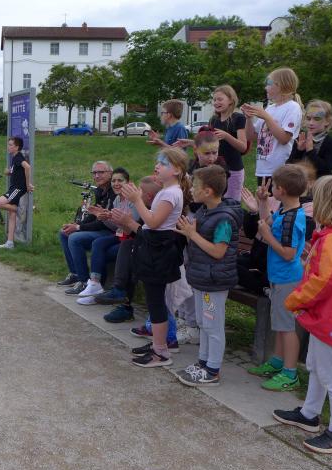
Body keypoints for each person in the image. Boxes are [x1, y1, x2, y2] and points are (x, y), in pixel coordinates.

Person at [273, 176, 332, 454]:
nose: (311, 205)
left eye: (316, 200)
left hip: (331, 316)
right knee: (317, 365)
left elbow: (324, 280)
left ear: (330, 204)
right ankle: (309, 413)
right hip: (327, 315)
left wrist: (296, 299)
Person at [172, 165, 242, 386]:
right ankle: (202, 363)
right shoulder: (205, 211)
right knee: (203, 323)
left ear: (208, 191)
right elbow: (200, 244)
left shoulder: (224, 219)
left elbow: (218, 252)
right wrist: (188, 233)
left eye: (195, 186)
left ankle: (213, 370)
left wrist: (192, 235)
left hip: (215, 281)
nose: (192, 189)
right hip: (203, 278)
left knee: (213, 326)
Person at [121, 147, 190, 367]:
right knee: (154, 301)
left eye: (163, 163)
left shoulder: (171, 193)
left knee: (156, 301)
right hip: (155, 248)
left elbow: (152, 222)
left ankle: (161, 352)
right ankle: (157, 344)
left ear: (177, 170)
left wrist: (137, 200)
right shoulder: (167, 191)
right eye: (158, 162)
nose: (157, 166)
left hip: (159, 250)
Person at [246, 164, 308, 391]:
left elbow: (288, 253)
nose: (270, 188)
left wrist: (267, 236)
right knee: (280, 324)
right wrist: (263, 202)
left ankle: (290, 374)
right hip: (278, 277)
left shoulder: (292, 218)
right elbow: (266, 222)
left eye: (273, 186)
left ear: (281, 190)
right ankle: (277, 362)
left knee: (287, 326)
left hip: (287, 278)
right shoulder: (283, 211)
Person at [95, 176, 161, 322]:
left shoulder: (156, 210)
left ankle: (122, 297)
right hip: (143, 248)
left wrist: (129, 223)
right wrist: (119, 221)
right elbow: (132, 233)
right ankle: (121, 297)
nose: (137, 193)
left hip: (159, 253)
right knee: (128, 247)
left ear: (149, 196)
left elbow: (150, 236)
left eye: (140, 191)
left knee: (129, 250)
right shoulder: (146, 207)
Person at [55, 161, 115, 295]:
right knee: (64, 233)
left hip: (112, 231)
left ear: (110, 174)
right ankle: (75, 274)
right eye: (94, 173)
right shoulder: (100, 190)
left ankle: (83, 281)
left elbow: (102, 221)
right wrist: (76, 224)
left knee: (75, 238)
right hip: (101, 228)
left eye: (101, 172)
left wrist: (78, 227)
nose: (97, 176)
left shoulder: (114, 191)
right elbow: (94, 215)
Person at [241, 67, 303, 188]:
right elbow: (251, 136)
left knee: (275, 200)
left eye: (269, 83)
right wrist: (248, 118)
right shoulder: (270, 108)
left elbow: (284, 138)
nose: (265, 87)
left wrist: (266, 117)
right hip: (263, 170)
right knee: (263, 200)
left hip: (280, 171)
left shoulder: (293, 107)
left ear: (282, 85)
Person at [76, 167, 130, 304]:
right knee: (98, 243)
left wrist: (108, 217)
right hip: (120, 235)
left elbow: (130, 228)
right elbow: (116, 227)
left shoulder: (132, 200)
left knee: (100, 249)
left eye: (120, 181)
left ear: (128, 183)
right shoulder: (117, 199)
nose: (116, 184)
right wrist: (103, 217)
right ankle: (93, 284)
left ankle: (98, 288)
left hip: (130, 238)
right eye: (114, 181)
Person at [0, 137, 34, 249]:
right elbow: (17, 171)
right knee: (11, 214)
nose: (9, 147)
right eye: (8, 144)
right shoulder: (15, 157)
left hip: (17, 189)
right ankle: (10, 242)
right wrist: (9, 172)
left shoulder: (18, 157)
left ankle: (18, 209)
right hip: (14, 188)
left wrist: (28, 185)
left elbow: (27, 167)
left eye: (11, 145)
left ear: (17, 147)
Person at [208, 85, 247, 201]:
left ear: (230, 100)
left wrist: (227, 136)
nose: (216, 102)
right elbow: (209, 143)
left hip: (233, 170)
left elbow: (243, 147)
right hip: (216, 169)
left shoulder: (238, 118)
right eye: (214, 100)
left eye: (220, 99)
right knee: (215, 201)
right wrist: (192, 143)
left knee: (231, 203)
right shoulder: (213, 120)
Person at [287, 99, 332, 179]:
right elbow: (289, 166)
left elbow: (326, 169)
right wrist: (299, 150)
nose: (311, 123)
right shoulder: (301, 138)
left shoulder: (331, 143)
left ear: (327, 121)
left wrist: (310, 151)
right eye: (308, 118)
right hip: (298, 183)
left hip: (319, 184)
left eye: (317, 119)